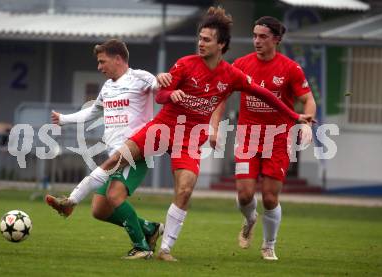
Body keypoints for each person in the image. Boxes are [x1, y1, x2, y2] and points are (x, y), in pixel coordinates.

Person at [46, 7, 313, 262]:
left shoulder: (232, 74)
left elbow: (264, 94)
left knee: (184, 190)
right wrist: (169, 93)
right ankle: (70, 201)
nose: (201, 43)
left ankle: (165, 249)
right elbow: (161, 94)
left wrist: (294, 117)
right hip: (163, 128)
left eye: (207, 40)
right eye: (200, 38)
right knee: (114, 160)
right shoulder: (185, 65)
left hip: (190, 138)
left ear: (221, 44)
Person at [210, 16, 317, 261]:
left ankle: (269, 245)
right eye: (255, 35)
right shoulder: (241, 65)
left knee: (269, 198)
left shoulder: (290, 68)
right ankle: (249, 219)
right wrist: (214, 128)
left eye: (263, 37)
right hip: (248, 137)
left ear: (276, 39)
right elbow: (221, 96)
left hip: (278, 139)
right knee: (245, 195)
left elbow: (308, 100)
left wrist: (307, 122)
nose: (256, 41)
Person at [46, 39, 163, 260]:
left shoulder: (139, 77)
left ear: (118, 58)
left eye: (102, 61)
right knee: (99, 209)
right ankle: (150, 229)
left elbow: (160, 88)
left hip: (136, 153)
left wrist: (164, 81)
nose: (99, 67)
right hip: (115, 154)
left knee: (114, 195)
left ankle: (142, 247)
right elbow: (92, 113)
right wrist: (63, 120)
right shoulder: (107, 87)